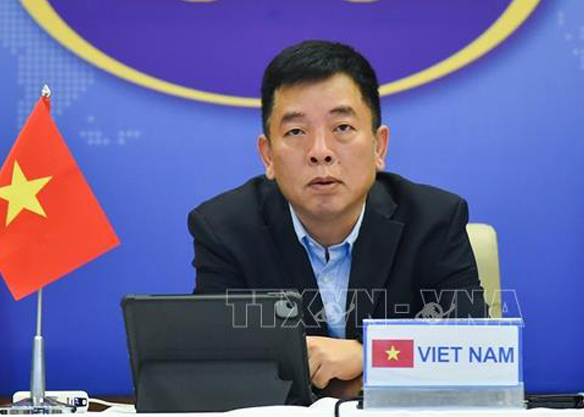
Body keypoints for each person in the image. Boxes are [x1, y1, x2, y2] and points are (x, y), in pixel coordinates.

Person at [189, 40, 487, 393]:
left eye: (342, 128)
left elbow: (474, 350)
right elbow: (218, 367)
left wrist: (370, 355)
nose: (320, 152)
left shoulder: (434, 220)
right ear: (267, 156)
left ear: (379, 146)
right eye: (296, 132)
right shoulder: (225, 230)